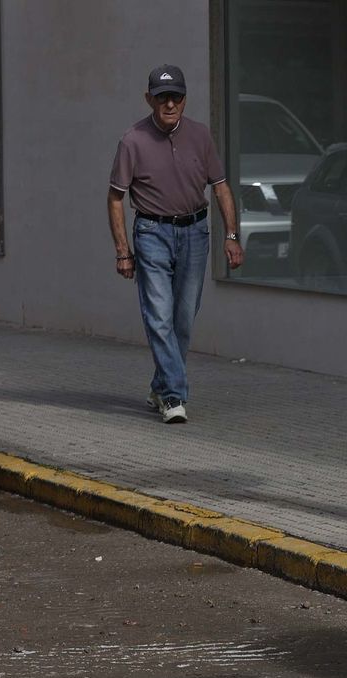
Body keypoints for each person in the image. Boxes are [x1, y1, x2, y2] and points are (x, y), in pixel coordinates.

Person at [107, 64, 243, 424]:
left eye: (176, 96)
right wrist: (123, 251)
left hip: (195, 233)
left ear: (185, 99)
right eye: (162, 97)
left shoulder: (200, 136)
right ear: (149, 98)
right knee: (159, 316)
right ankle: (173, 396)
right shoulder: (132, 140)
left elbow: (222, 188)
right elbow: (115, 198)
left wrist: (231, 236)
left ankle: (160, 384)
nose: (170, 104)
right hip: (151, 233)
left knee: (183, 319)